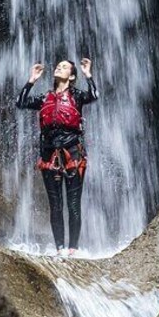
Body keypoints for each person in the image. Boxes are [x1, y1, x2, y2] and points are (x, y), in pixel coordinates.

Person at [15, 58, 99, 256]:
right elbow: (20, 103)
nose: (58, 68)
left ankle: (73, 250)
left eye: (64, 67)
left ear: (71, 76)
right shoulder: (45, 98)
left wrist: (88, 75)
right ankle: (60, 249)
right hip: (48, 154)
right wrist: (31, 80)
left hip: (73, 153)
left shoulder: (77, 96)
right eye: (58, 66)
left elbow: (94, 95)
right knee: (55, 205)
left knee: (73, 204)